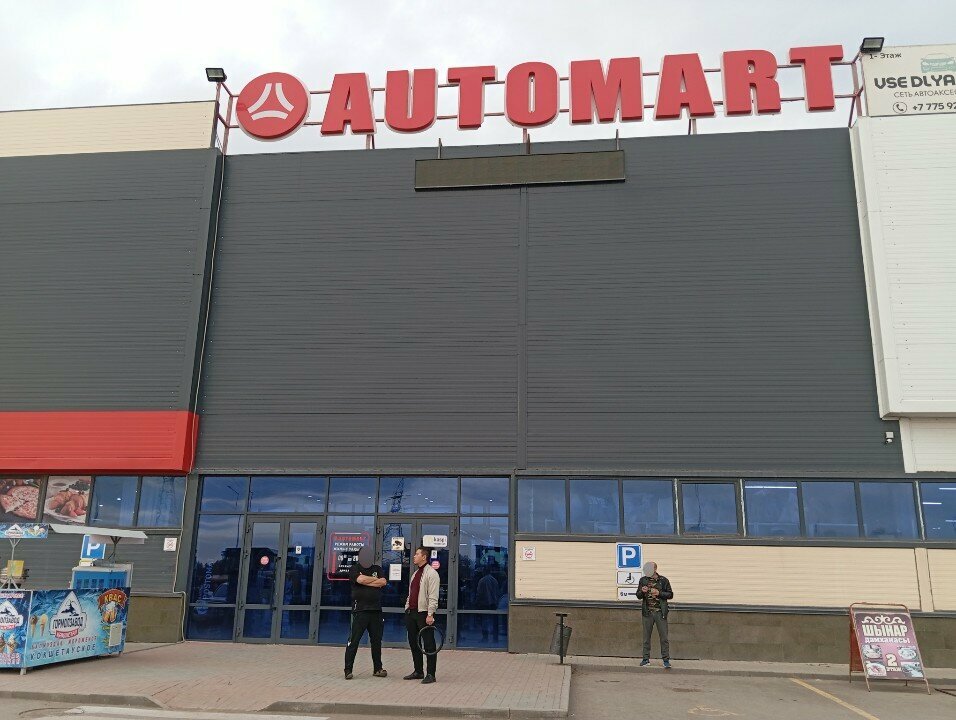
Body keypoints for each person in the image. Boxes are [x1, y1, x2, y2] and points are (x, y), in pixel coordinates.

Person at [344, 545, 388, 680]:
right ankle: (348, 670)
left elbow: (383, 582)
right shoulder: (354, 569)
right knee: (354, 641)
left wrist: (366, 580)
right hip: (360, 611)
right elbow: (360, 580)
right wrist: (374, 581)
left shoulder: (377, 569)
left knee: (376, 641)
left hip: (376, 611)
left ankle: (378, 668)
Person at [403, 546, 440, 684]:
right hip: (412, 613)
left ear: (424, 557)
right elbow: (411, 593)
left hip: (424, 613)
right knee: (414, 643)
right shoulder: (415, 574)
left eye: (417, 554)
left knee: (429, 644)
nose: (414, 556)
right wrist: (407, 607)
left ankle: (431, 674)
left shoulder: (431, 573)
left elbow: (433, 596)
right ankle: (418, 671)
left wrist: (430, 614)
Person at [638, 561, 674, 669]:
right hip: (647, 613)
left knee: (664, 638)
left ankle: (666, 660)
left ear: (655, 569)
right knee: (646, 637)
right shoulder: (643, 580)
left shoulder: (663, 580)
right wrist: (642, 591)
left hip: (660, 613)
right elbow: (638, 595)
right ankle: (645, 659)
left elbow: (670, 594)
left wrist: (659, 593)